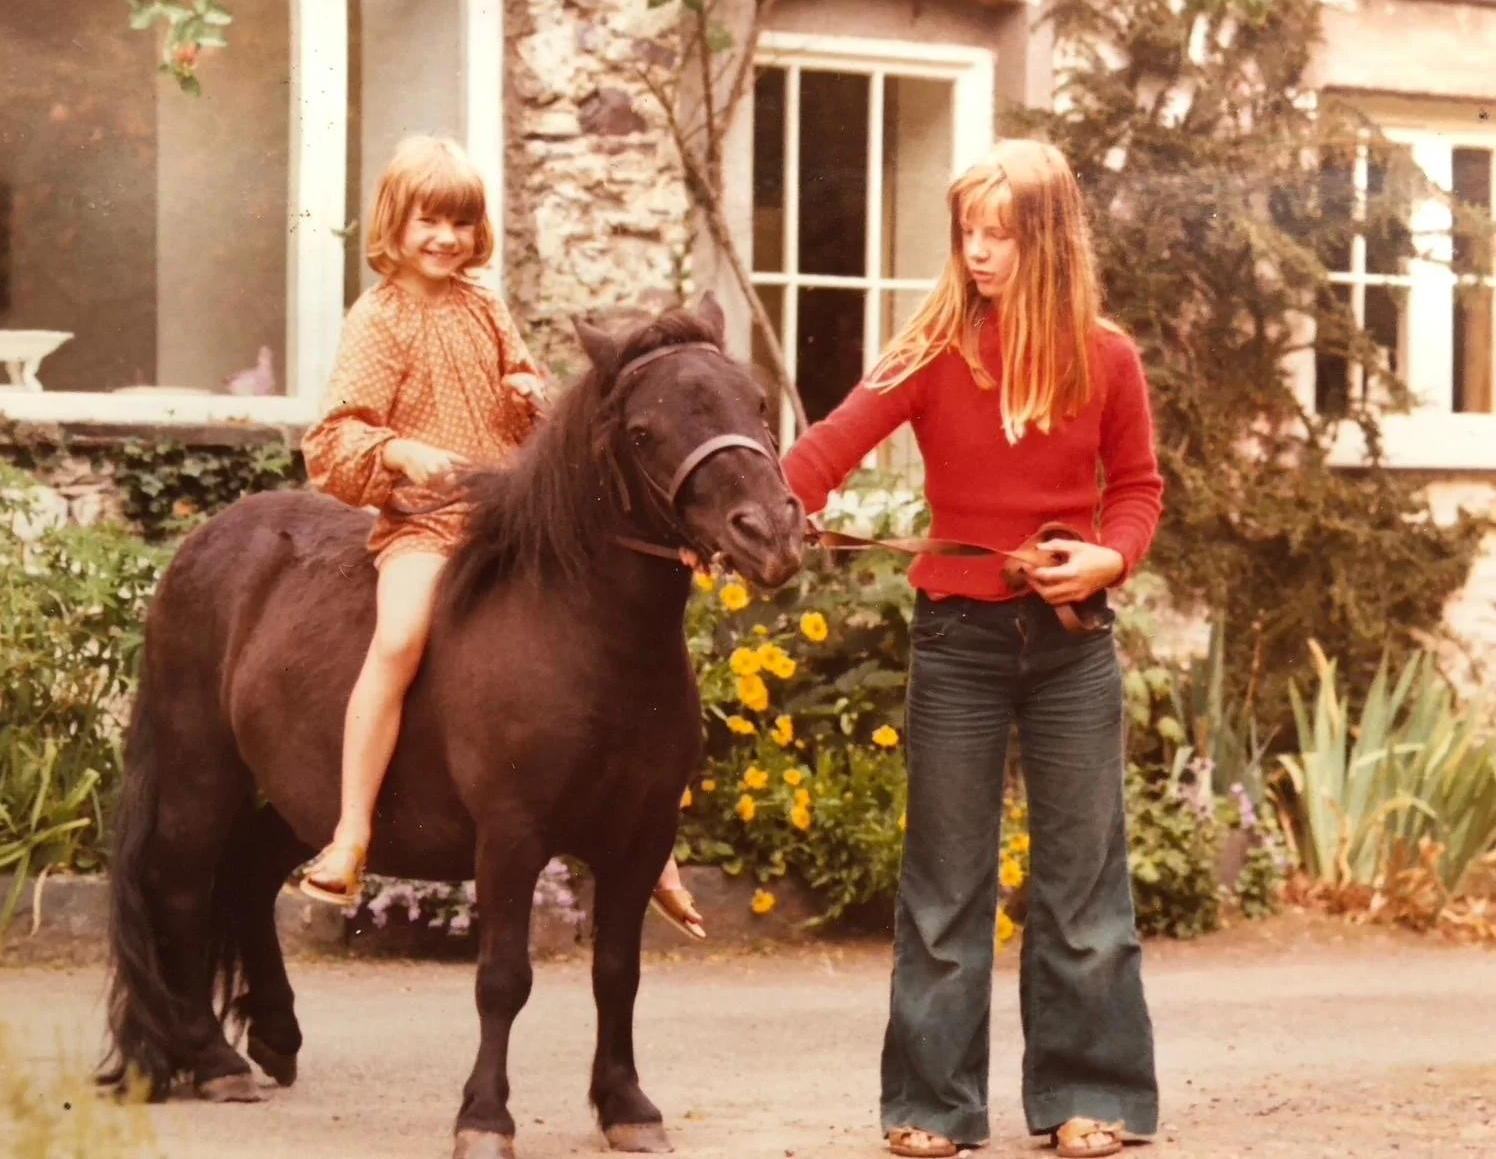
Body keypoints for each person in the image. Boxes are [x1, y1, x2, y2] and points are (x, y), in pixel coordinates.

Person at [781, 138, 1164, 1159]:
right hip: (956, 639)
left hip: (1072, 646)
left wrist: (1104, 562)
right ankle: (930, 1108)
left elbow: (1136, 490)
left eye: (999, 234)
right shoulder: (932, 351)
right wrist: (758, 515)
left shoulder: (1106, 357)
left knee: (1082, 884)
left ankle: (1096, 1097)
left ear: (1046, 241)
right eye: (967, 233)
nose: (978, 252)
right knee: (945, 883)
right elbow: (822, 452)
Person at [297, 136, 706, 942]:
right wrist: (397, 451)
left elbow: (534, 417)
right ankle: (349, 831)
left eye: (460, 221)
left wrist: (529, 397)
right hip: (426, 522)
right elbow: (335, 438)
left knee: (618, 638)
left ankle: (653, 839)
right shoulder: (380, 319)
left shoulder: (485, 307)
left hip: (509, 521)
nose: (446, 238)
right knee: (401, 637)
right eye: (430, 222)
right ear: (395, 224)